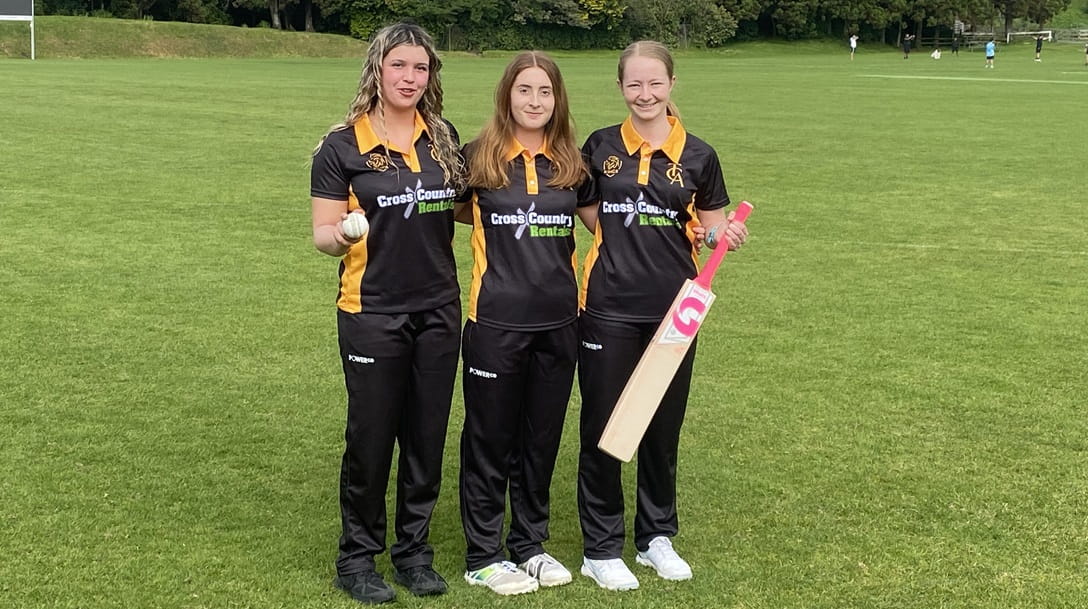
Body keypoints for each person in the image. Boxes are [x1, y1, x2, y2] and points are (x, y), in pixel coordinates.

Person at [574, 40, 748, 592]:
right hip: (605, 305)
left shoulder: (699, 155)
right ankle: (600, 547)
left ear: (672, 84)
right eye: (634, 84)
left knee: (661, 423)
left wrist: (723, 235)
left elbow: (711, 225)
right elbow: (584, 208)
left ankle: (654, 538)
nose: (644, 93)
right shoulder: (600, 145)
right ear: (621, 87)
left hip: (676, 310)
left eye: (655, 83)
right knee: (604, 424)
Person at [310, 21, 465, 605]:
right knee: (372, 438)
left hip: (438, 310)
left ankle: (413, 553)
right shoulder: (342, 144)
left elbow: (472, 209)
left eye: (420, 68)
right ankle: (356, 559)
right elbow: (322, 235)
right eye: (399, 65)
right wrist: (343, 234)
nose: (409, 77)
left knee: (425, 437)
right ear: (378, 68)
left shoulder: (443, 137)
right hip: (371, 310)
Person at [455, 51, 590, 596]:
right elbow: (452, 213)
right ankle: (483, 554)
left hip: (560, 323)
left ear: (557, 100)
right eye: (524, 90)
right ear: (506, 94)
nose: (534, 101)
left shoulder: (572, 164)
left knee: (540, 439)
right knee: (490, 438)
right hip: (494, 323)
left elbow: (611, 226)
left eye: (545, 92)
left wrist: (697, 232)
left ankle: (529, 544)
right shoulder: (477, 158)